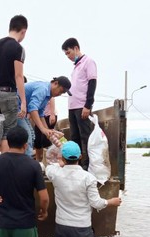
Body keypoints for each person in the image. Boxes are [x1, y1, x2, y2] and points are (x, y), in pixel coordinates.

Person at [45, 141, 121, 237]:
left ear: (63, 158)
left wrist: (59, 163)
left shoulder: (55, 173)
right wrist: (111, 202)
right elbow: (96, 203)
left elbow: (48, 166)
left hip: (63, 226)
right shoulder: (88, 178)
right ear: (80, 156)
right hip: (82, 227)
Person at [0, 15, 28, 156]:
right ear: (23, 31)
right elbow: (18, 76)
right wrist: (23, 101)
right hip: (8, 94)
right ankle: (5, 164)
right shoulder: (18, 48)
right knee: (8, 131)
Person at [61, 37, 97, 170]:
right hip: (72, 107)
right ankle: (75, 166)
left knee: (85, 137)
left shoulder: (89, 62)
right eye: (66, 54)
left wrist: (88, 105)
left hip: (82, 106)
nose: (68, 56)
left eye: (68, 52)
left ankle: (86, 167)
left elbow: (92, 84)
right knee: (75, 137)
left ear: (76, 48)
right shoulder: (76, 66)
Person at [17, 76, 72, 158]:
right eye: (60, 91)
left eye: (62, 93)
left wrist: (47, 131)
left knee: (32, 135)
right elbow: (33, 108)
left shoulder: (48, 95)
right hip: (14, 106)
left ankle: (25, 160)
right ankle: (27, 164)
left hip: (21, 110)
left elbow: (40, 113)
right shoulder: (43, 89)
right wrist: (43, 129)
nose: (59, 95)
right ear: (55, 83)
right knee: (27, 135)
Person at [34, 97, 57, 162]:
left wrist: (52, 114)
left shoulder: (45, 89)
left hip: (49, 115)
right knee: (37, 140)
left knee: (46, 139)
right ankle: (38, 160)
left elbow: (52, 99)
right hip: (38, 117)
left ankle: (48, 160)